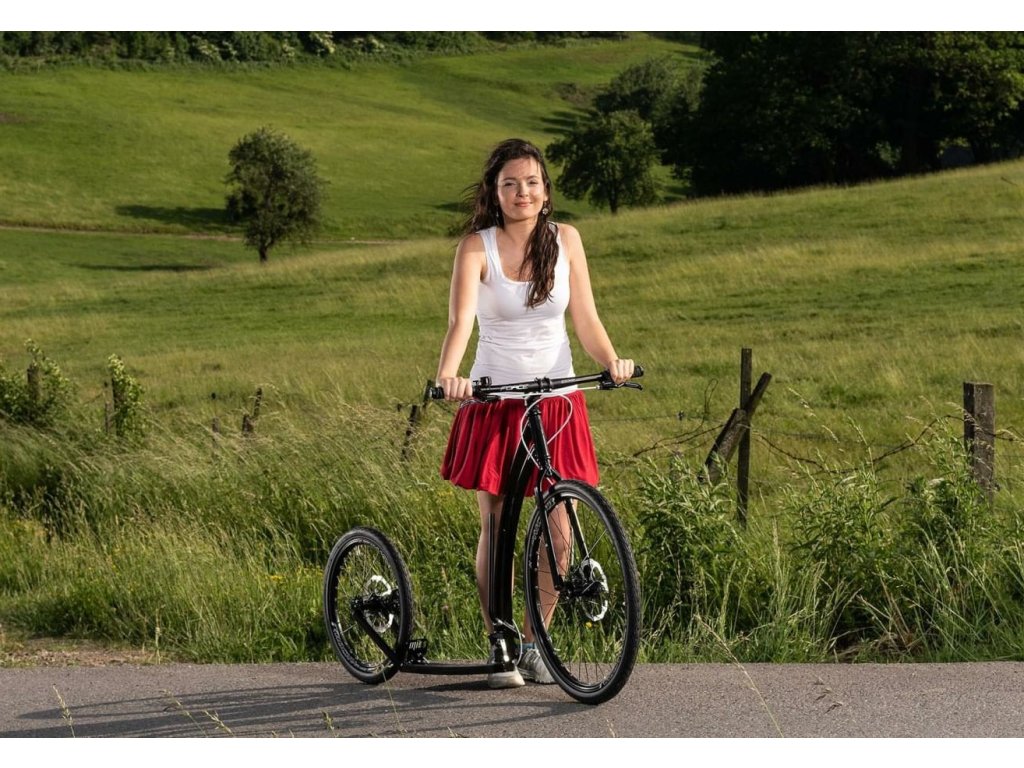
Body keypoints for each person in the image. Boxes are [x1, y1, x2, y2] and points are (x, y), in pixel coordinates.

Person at [435, 138, 634, 689]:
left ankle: (534, 643)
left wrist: (612, 361)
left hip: (558, 401)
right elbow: (460, 323)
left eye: (531, 182)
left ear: (546, 191)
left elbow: (586, 318)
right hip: (495, 400)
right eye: (510, 184)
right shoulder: (476, 248)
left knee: (561, 531)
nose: (522, 192)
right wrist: (449, 375)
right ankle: (500, 643)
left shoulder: (566, 240)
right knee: (497, 526)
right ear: (494, 193)